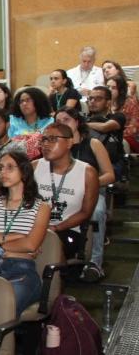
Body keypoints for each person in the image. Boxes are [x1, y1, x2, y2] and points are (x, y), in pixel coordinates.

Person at [0, 151, 50, 316]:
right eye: (1, 168)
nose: (3, 172)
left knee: (1, 309)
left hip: (22, 271)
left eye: (10, 167)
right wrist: (17, 236)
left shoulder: (41, 207)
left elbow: (31, 244)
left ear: (24, 171)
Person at [55, 106, 115, 282]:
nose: (61, 124)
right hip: (62, 193)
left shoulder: (93, 143)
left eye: (66, 120)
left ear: (77, 122)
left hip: (92, 192)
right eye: (58, 121)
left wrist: (88, 184)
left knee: (96, 211)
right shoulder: (56, 148)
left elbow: (109, 174)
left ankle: (95, 264)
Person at [32, 123, 99, 260]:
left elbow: (86, 212)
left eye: (52, 139)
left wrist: (56, 228)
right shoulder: (34, 167)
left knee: (49, 244)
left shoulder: (87, 172)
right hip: (33, 227)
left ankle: (54, 280)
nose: (45, 144)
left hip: (67, 230)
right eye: (43, 139)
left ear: (69, 142)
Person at [107, 75, 139, 152]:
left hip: (128, 138)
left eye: (113, 88)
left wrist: (115, 136)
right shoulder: (105, 102)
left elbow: (134, 128)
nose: (109, 90)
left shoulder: (130, 102)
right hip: (108, 136)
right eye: (108, 87)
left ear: (121, 90)